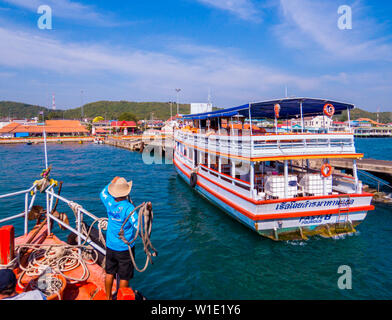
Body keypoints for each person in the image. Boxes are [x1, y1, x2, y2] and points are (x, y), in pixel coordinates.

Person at [100, 176, 138, 300]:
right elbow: (138, 226)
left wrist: (112, 181)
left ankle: (108, 297)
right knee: (124, 276)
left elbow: (103, 193)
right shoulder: (129, 208)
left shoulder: (109, 202)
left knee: (109, 273)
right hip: (124, 248)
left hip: (110, 245)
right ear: (127, 192)